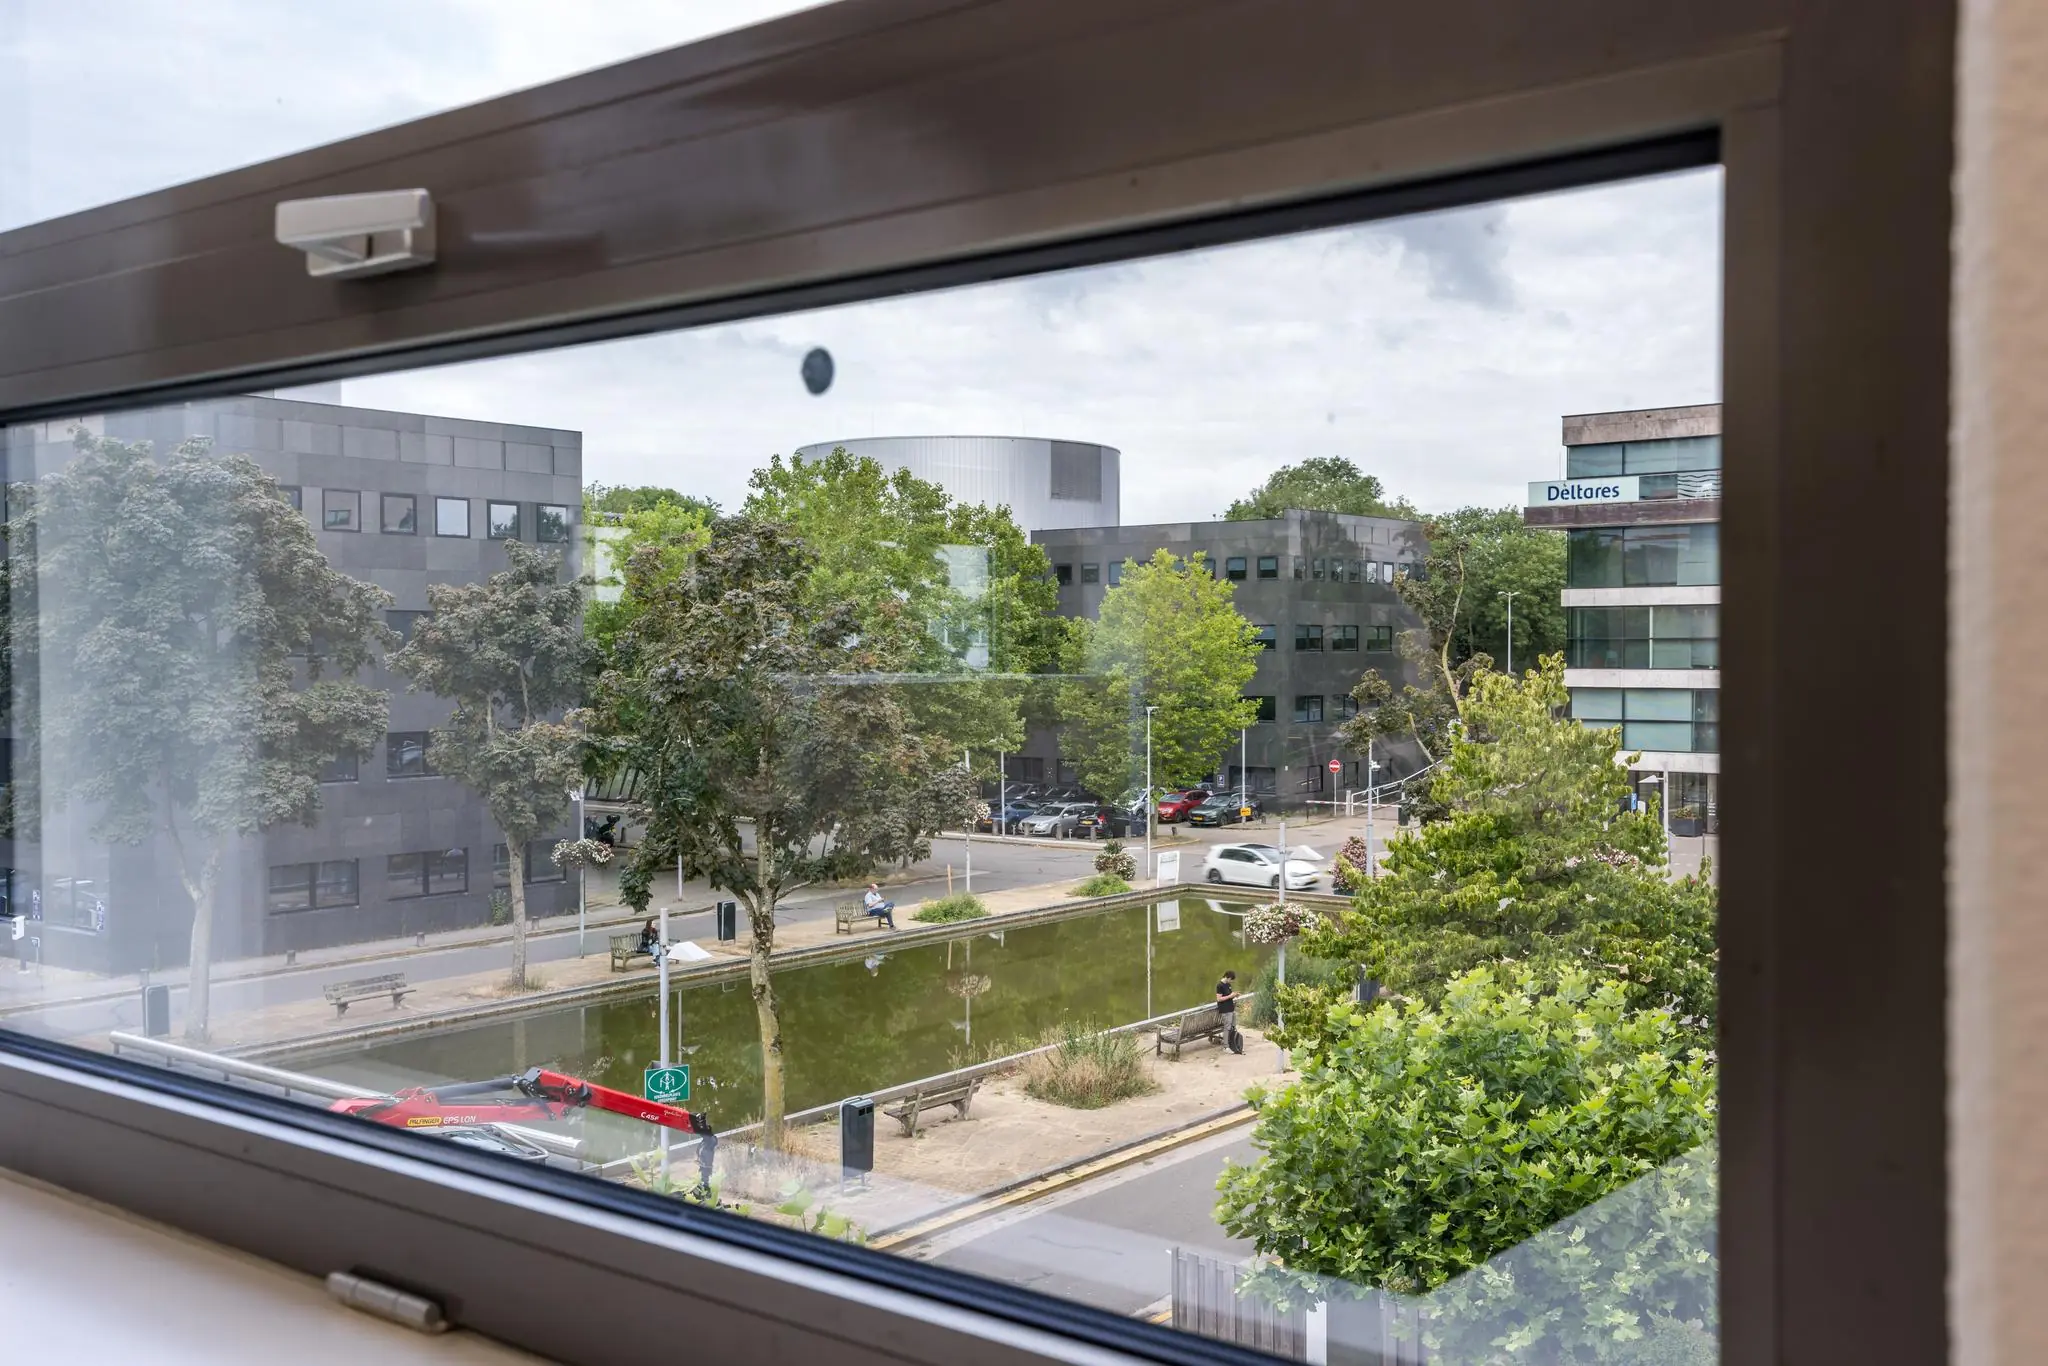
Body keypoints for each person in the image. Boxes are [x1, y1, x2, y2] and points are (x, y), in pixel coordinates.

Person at [1216, 969, 1244, 1053]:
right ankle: (1226, 1046)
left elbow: (1229, 995)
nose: (1231, 981)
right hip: (1225, 1010)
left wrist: (1235, 995)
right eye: (1231, 979)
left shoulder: (1228, 985)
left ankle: (1233, 1044)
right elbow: (1219, 999)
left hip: (1231, 1008)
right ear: (1227, 977)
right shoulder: (1219, 985)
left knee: (1233, 1026)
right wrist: (1230, 996)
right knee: (1227, 1027)